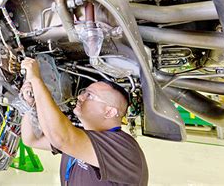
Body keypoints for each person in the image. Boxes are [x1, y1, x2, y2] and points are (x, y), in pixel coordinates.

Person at [20, 58, 148, 185]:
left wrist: (36, 81)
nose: (80, 97)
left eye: (90, 95)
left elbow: (61, 138)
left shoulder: (123, 148)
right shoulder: (79, 136)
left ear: (110, 112)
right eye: (84, 92)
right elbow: (32, 139)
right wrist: (32, 105)